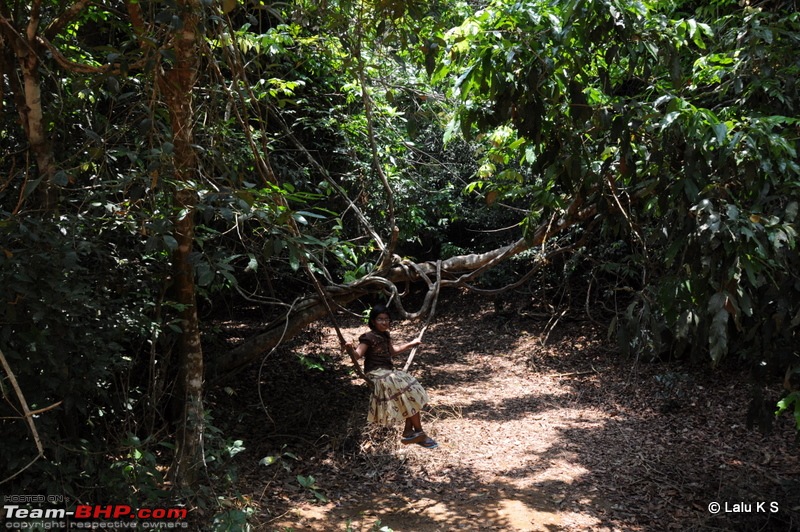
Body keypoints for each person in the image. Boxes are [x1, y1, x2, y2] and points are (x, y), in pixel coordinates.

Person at [342, 304, 438, 449]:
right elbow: (357, 355)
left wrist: (410, 344)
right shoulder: (368, 337)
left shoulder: (385, 335)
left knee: (411, 392)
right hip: (376, 374)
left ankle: (409, 431)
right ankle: (419, 433)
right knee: (402, 386)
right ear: (373, 321)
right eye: (380, 319)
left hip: (389, 372)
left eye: (387, 319)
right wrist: (349, 348)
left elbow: (392, 351)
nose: (384, 322)